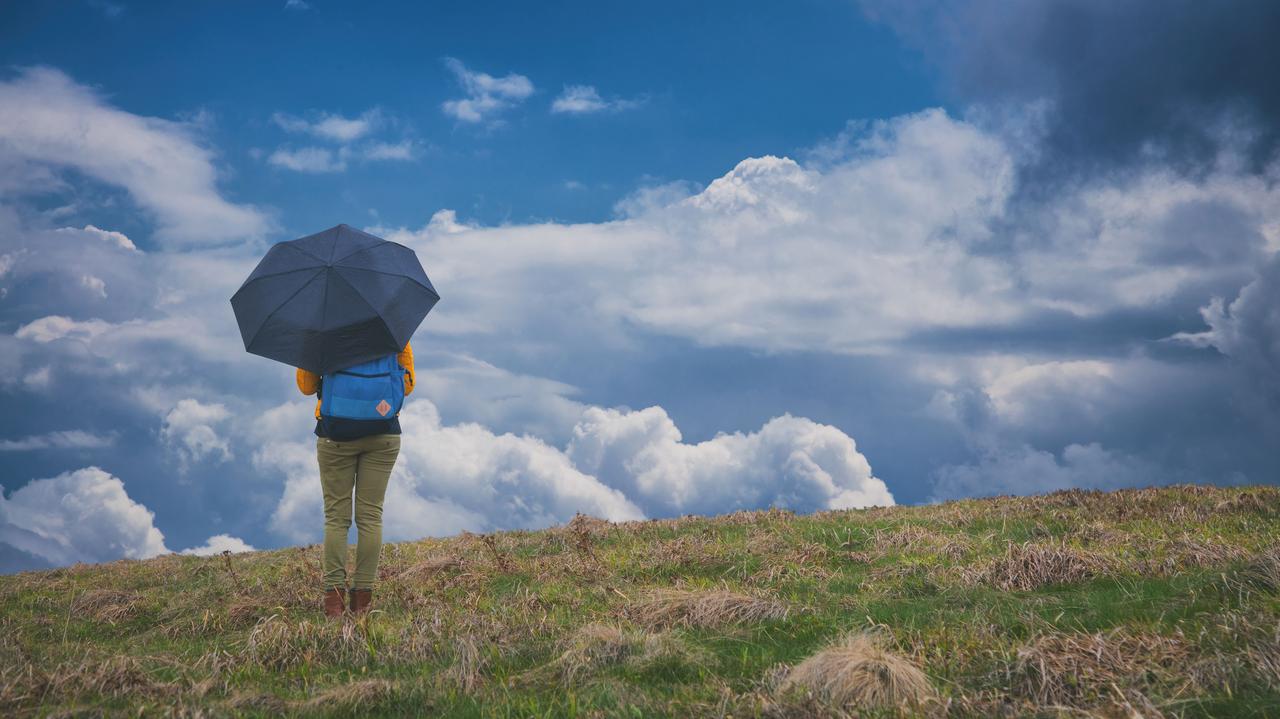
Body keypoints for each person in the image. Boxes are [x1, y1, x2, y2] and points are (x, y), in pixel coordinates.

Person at [296, 342, 415, 618]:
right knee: (371, 517)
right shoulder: (394, 328)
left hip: (335, 434)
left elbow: (305, 385)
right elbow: (407, 386)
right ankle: (363, 602)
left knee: (336, 518)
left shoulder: (323, 329)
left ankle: (334, 603)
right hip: (383, 432)